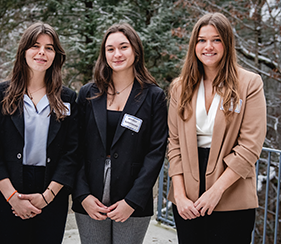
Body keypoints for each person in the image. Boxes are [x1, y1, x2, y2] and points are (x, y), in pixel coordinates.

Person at [167, 12, 267, 244]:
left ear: (227, 43)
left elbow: (250, 146)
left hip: (232, 188)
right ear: (194, 45)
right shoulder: (179, 87)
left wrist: (215, 192)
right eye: (202, 40)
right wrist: (179, 195)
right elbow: (174, 144)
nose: (208, 46)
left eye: (216, 39)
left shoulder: (249, 84)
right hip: (187, 198)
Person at [72, 23, 168, 244]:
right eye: (110, 49)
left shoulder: (153, 96)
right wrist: (82, 195)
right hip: (90, 195)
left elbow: (156, 152)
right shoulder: (88, 93)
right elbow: (74, 147)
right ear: (104, 54)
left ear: (135, 50)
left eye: (123, 47)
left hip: (132, 195)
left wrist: (132, 200)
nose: (117, 54)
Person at [0, 22, 78, 244]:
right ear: (23, 50)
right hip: (8, 187)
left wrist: (48, 196)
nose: (42, 53)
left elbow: (72, 151)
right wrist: (12, 197)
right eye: (35, 46)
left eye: (49, 47)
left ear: (56, 55)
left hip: (50, 188)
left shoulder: (68, 98)